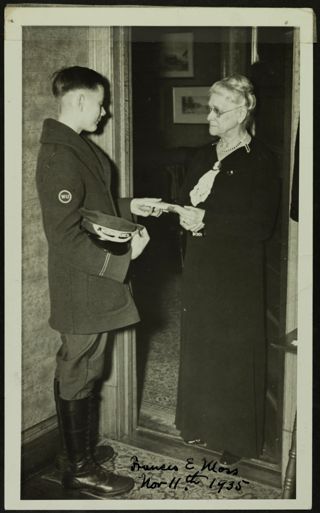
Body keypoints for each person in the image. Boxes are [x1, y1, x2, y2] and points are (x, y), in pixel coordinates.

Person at [36, 66, 162, 497]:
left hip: (91, 281)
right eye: (101, 102)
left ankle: (77, 453)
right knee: (79, 365)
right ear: (81, 101)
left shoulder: (75, 147)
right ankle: (79, 468)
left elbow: (92, 207)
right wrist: (123, 260)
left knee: (88, 366)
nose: (105, 111)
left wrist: (130, 204)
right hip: (83, 282)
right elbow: (64, 234)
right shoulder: (60, 154)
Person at [175, 74, 280, 465]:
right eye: (209, 107)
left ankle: (235, 439)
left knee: (233, 351)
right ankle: (200, 424)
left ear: (241, 113)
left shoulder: (262, 161)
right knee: (202, 340)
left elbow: (260, 226)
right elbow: (186, 198)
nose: (209, 116)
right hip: (202, 264)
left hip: (236, 271)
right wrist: (178, 213)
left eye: (217, 110)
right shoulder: (203, 156)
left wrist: (207, 221)